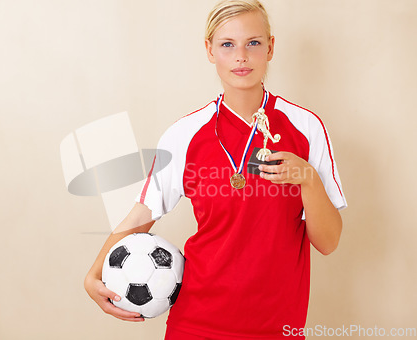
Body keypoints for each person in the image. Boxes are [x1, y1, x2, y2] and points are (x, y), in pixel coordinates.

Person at [84, 0, 347, 339]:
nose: (242, 56)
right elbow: (140, 217)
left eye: (253, 43)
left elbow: (328, 242)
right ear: (210, 50)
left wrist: (308, 180)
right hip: (196, 323)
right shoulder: (185, 134)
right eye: (228, 44)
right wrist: (92, 274)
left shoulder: (305, 127)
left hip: (277, 325)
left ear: (271, 47)